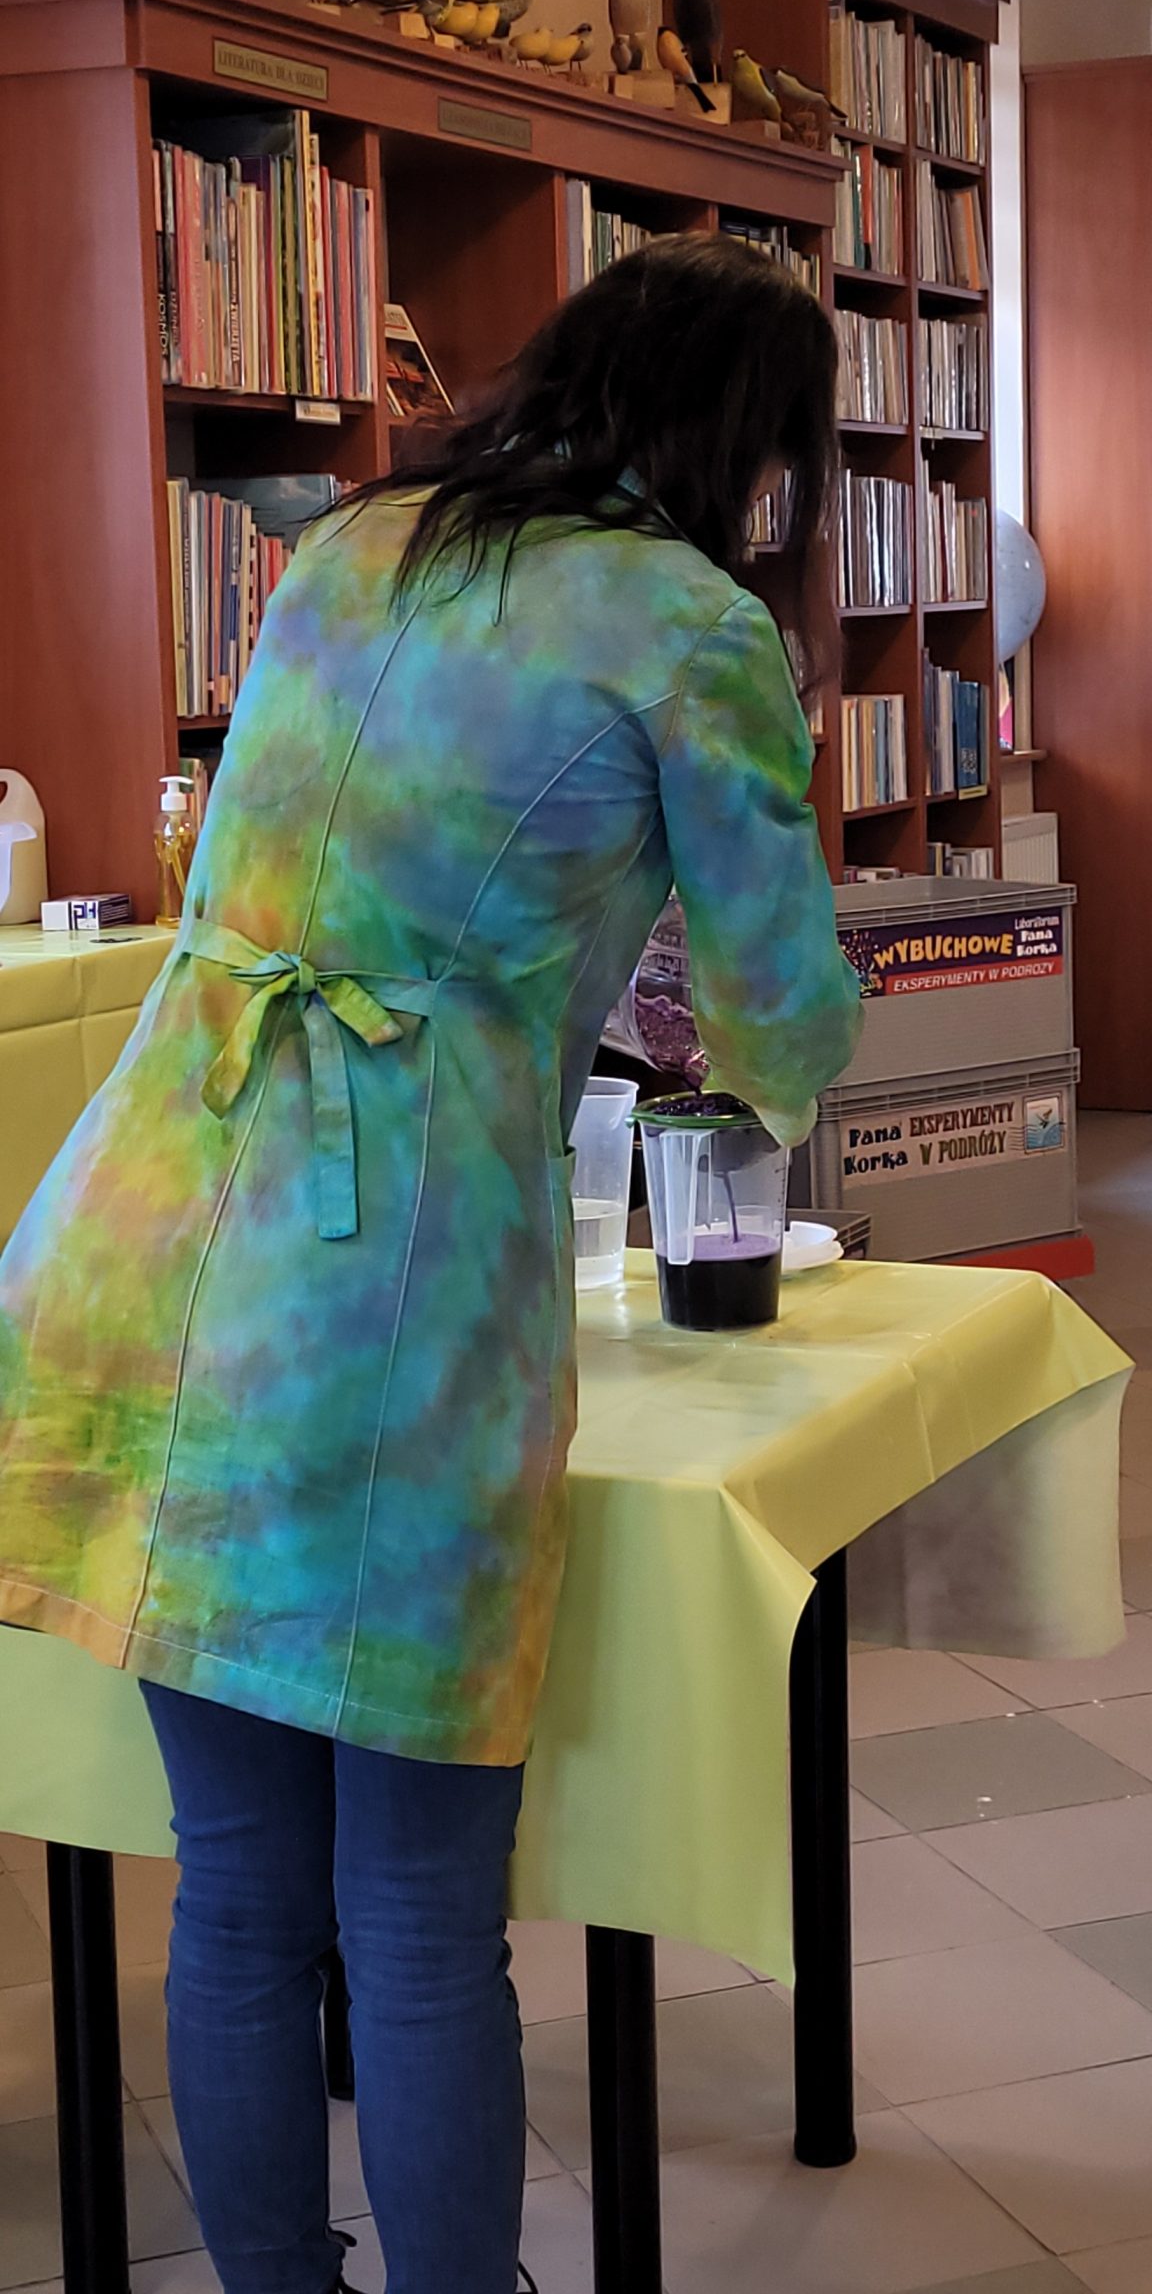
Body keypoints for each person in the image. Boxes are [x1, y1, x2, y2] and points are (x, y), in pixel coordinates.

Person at [0, 233, 860, 2294]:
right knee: (412, 1913)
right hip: (388, 1291)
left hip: (141, 1235)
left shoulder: (350, 546)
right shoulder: (692, 629)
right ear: (748, 453)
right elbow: (784, 1030)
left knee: (235, 1893)